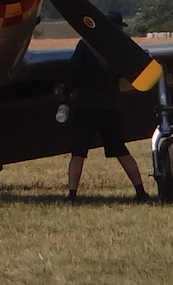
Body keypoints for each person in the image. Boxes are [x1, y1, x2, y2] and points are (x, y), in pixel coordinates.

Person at [63, 11, 149, 202]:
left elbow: (73, 71)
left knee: (78, 153)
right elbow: (127, 71)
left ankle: (72, 195)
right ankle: (140, 191)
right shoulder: (118, 48)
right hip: (111, 107)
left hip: (87, 107)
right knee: (121, 150)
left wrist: (66, 91)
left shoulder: (85, 44)